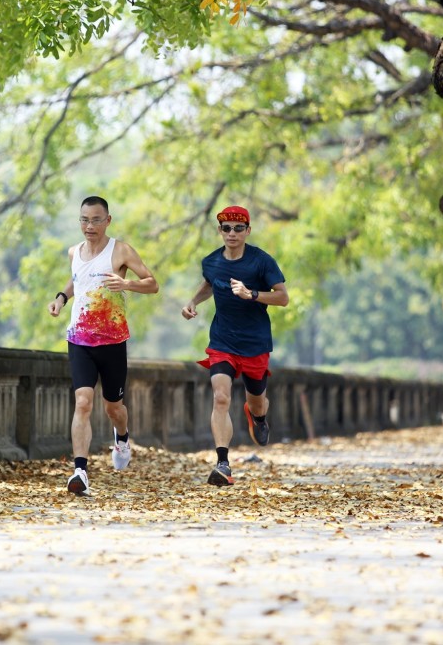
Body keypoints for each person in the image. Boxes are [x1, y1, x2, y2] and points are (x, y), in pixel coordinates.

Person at [48, 196, 159, 495]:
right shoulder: (74, 252)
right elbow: (76, 280)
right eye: (85, 219)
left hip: (112, 342)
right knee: (83, 401)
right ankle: (80, 471)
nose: (90, 225)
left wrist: (127, 285)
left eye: (97, 219)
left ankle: (122, 437)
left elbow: (152, 282)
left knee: (114, 408)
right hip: (79, 340)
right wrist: (60, 298)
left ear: (108, 220)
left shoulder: (120, 250)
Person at [181, 205, 289, 486]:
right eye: (226, 228)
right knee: (220, 397)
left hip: (255, 344)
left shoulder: (262, 262)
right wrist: (193, 301)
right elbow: (209, 284)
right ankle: (223, 464)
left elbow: (283, 297)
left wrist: (251, 294)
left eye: (238, 228)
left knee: (257, 402)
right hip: (222, 341)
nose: (232, 233)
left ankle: (259, 416)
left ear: (247, 231)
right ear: (220, 231)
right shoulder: (211, 261)